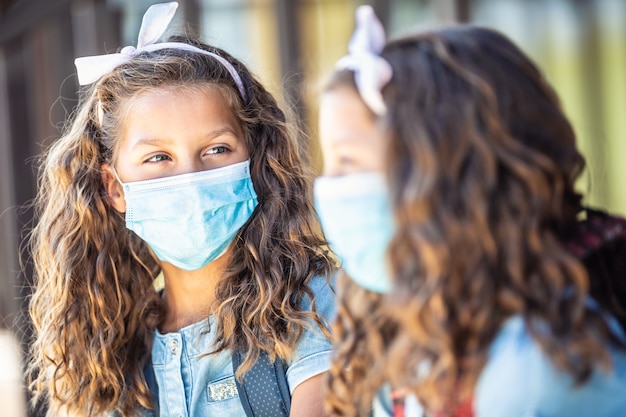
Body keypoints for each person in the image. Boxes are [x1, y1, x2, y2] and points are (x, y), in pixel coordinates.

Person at [314, 6, 626, 417]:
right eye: (329, 164)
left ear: (447, 176)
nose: (327, 188)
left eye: (348, 162)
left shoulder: (539, 375)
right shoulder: (394, 324)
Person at [26, 3, 336, 417]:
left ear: (254, 161)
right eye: (158, 157)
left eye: (217, 149)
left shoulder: (313, 307)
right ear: (113, 188)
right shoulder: (110, 358)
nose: (189, 177)